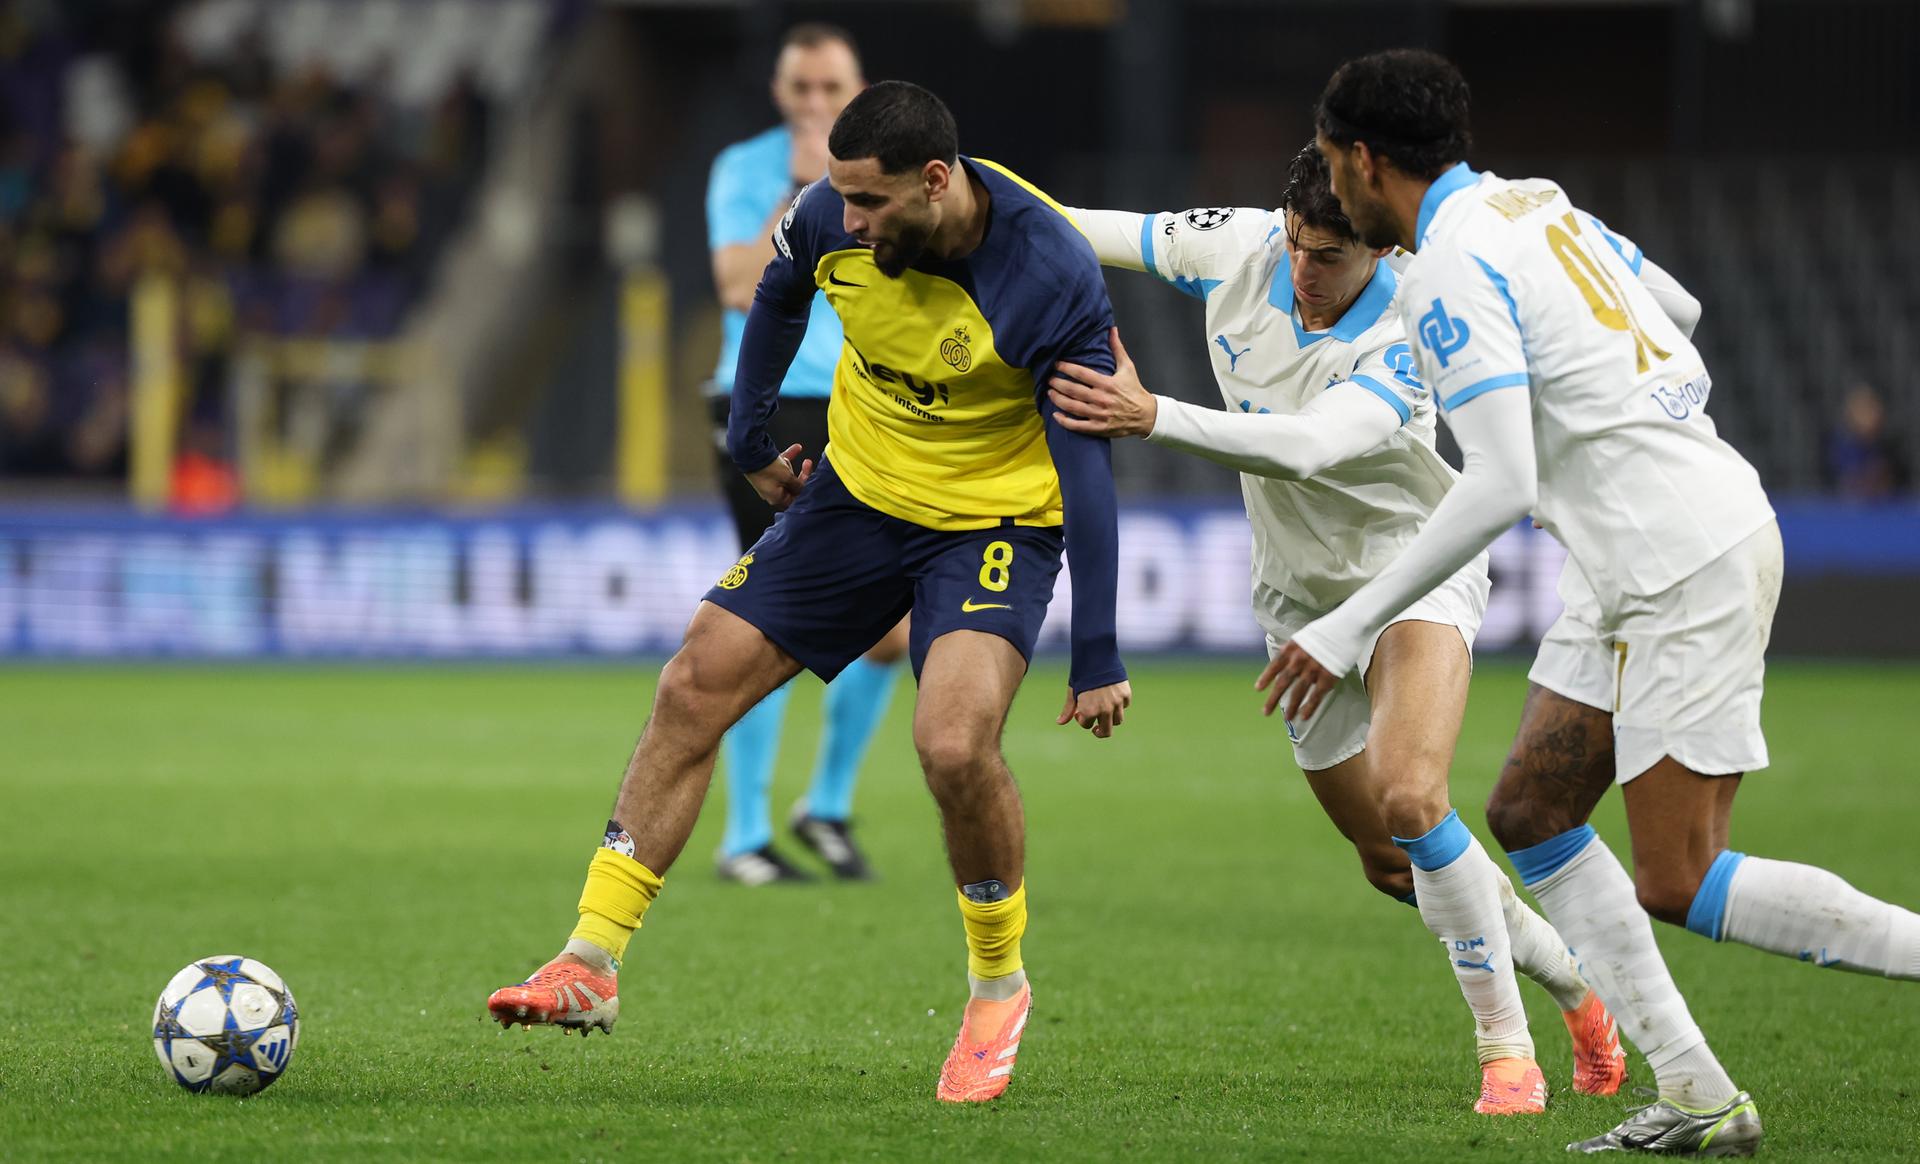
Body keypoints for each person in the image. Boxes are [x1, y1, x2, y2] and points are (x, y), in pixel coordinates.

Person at [1268, 48, 1920, 1154]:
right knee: (1530, 813)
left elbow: (1504, 482)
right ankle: (1701, 1097)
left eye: (1333, 164)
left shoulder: (1446, 267)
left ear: (1365, 161)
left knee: (1680, 873)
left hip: (1677, 556)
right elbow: (1680, 306)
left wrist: (1341, 626)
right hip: (1635, 555)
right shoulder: (1536, 203)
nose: (1329, 185)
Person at [487, 81, 1134, 1106]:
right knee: (694, 680)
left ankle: (997, 985)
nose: (852, 222)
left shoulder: (1045, 271)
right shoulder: (827, 213)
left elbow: (1089, 466)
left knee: (953, 744)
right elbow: (777, 295)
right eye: (842, 200)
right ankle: (589, 963)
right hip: (858, 499)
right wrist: (746, 439)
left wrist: (1097, 650)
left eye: (872, 204)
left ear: (935, 182)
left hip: (995, 523)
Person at [1048, 144, 1624, 1115]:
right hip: (1296, 600)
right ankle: (1573, 983)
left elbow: (1311, 448)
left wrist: (1153, 416)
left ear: (1380, 255)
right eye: (1301, 248)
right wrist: (948, 180)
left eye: (1334, 259)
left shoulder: (1412, 320)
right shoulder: (1238, 247)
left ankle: (1505, 1052)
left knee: (1410, 793)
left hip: (1413, 574)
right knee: (1391, 860)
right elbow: (1084, 225)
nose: (1308, 273)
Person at [704, 23, 905, 884]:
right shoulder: (746, 169)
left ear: (857, 91)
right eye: (802, 89)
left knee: (893, 632)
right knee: (768, 618)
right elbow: (735, 283)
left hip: (871, 403)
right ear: (782, 92)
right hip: (767, 401)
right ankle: (744, 834)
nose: (816, 103)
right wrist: (802, 193)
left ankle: (823, 807)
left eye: (832, 90)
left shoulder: (888, 179)